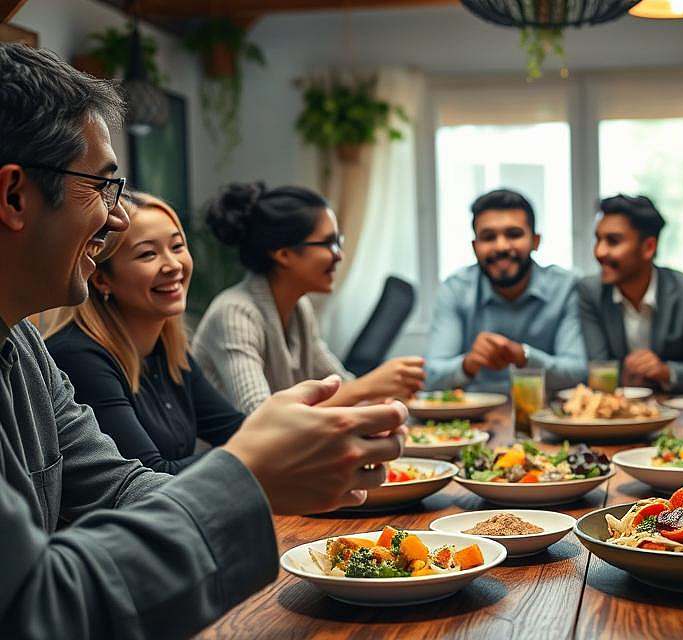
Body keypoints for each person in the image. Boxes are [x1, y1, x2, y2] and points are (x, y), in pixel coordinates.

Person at [0, 42, 406, 638]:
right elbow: (36, 607)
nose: (115, 220)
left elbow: (121, 489)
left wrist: (262, 482)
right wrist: (250, 477)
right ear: (14, 196)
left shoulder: (26, 349)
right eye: (102, 187)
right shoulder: (76, 347)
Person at [45, 192, 244, 474]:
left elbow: (235, 429)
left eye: (177, 246)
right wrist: (252, 451)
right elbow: (148, 476)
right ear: (101, 279)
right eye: (148, 254)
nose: (173, 265)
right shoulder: (78, 357)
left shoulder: (168, 347)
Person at [192, 182, 426, 415]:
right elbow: (261, 419)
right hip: (225, 453)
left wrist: (375, 397)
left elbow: (338, 384)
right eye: (328, 243)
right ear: (283, 254)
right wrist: (365, 388)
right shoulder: (235, 313)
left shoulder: (299, 308)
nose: (339, 255)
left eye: (338, 242)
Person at [424, 189, 586, 393]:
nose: (501, 246)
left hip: (546, 415)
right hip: (473, 420)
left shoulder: (565, 287)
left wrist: (524, 356)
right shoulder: (455, 289)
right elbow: (429, 377)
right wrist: (468, 364)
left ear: (535, 241)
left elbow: (578, 372)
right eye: (488, 237)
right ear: (475, 247)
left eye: (514, 234)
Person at [578, 194, 683, 393]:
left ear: (648, 248)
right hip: (615, 413)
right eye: (598, 239)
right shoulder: (590, 292)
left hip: (678, 411)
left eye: (613, 241)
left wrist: (665, 371)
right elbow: (597, 367)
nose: (599, 252)